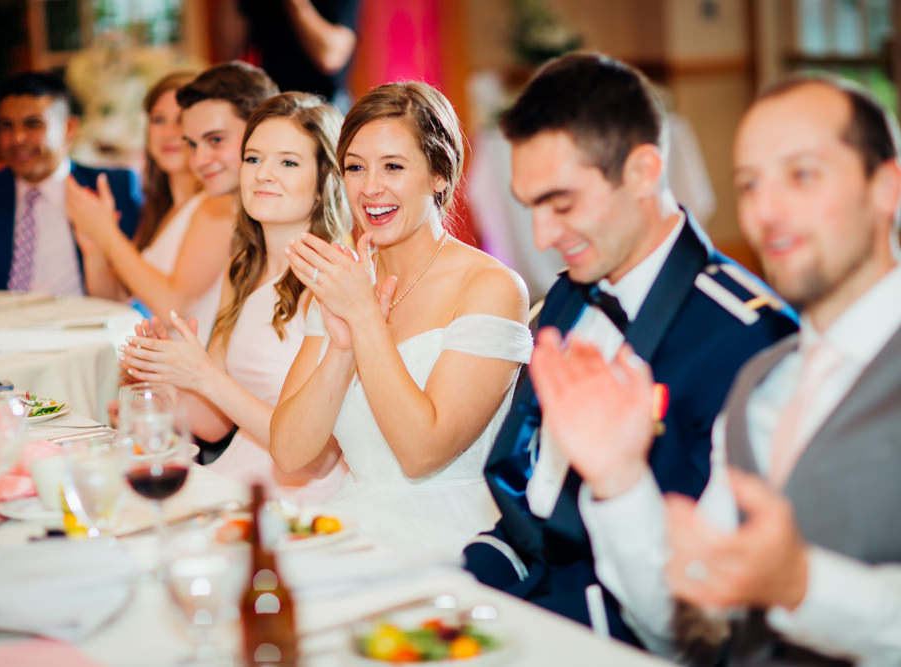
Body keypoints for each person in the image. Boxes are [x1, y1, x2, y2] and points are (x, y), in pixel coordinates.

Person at [549, 73, 901, 664]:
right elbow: (687, 624)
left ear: (885, 187)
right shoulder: (762, 382)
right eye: (750, 184)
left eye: (802, 175)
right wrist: (618, 481)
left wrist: (803, 586)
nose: (767, 210)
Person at [461, 52, 798, 643]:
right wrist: (466, 581)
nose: (541, 237)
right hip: (526, 603)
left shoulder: (748, 340)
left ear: (643, 171)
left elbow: (705, 615)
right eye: (529, 206)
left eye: (562, 204)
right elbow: (527, 496)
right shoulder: (569, 297)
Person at [269, 81, 532, 558]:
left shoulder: (490, 287)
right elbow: (289, 451)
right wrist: (343, 347)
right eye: (355, 167)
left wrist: (365, 317)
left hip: (453, 533)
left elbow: (421, 452)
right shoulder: (342, 282)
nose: (370, 188)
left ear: (439, 175)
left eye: (393, 167)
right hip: (351, 521)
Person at [121, 87, 351, 501]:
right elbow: (214, 424)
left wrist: (202, 374)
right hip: (235, 474)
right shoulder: (244, 267)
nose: (263, 173)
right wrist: (167, 376)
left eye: (288, 162)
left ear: (323, 182)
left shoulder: (335, 280)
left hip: (304, 495)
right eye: (253, 158)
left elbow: (318, 455)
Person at [65, 71, 234, 344]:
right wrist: (94, 249)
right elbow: (117, 303)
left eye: (180, 120)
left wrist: (108, 235)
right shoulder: (161, 210)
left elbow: (171, 309)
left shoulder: (217, 205)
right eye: (158, 120)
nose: (169, 133)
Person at [0, 71, 141, 293]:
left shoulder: (114, 188)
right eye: (7, 126)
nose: (17, 138)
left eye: (33, 124)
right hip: (1, 323)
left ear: (69, 128)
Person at [214, 0, 359, 112]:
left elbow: (330, 57)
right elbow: (229, 50)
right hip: (272, 102)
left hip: (326, 106)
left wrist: (296, 4)